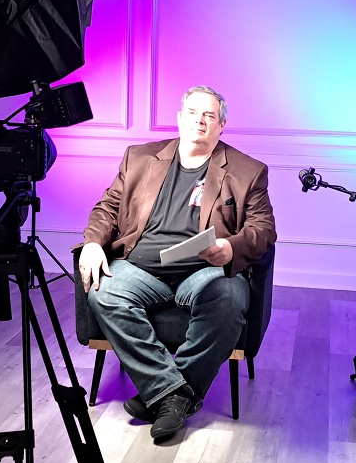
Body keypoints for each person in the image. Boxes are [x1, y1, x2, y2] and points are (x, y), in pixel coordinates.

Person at [79, 86, 276, 441]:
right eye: (193, 113)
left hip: (204, 270)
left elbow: (263, 230)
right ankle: (173, 394)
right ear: (179, 118)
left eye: (209, 116)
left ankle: (162, 395)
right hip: (140, 266)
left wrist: (230, 248)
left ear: (221, 125)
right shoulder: (139, 158)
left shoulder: (248, 171)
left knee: (230, 297)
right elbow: (107, 208)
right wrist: (93, 243)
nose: (200, 121)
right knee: (103, 290)